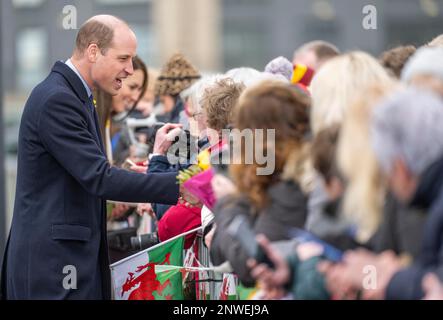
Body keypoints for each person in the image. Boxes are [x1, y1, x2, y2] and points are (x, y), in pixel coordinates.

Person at [1, 15, 180, 300]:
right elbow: (100, 177)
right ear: (93, 51)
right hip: (53, 269)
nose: (130, 70)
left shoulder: (75, 95)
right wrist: (183, 185)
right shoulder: (57, 100)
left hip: (61, 262)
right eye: (124, 59)